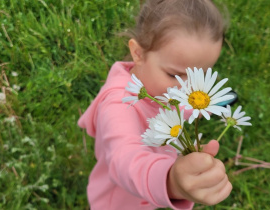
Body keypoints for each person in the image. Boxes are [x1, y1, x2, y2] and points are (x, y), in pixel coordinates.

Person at [78, 0, 232, 209]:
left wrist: (208, 102)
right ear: (138, 53)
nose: (188, 90)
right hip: (121, 199)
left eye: (201, 75)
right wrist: (171, 181)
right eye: (174, 75)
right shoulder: (119, 105)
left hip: (155, 183)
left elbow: (182, 106)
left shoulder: (166, 89)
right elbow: (125, 160)